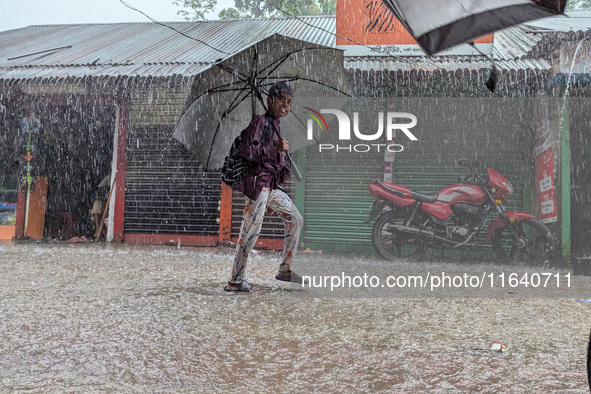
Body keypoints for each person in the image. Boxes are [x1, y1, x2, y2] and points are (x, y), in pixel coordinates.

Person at [224, 82, 306, 292]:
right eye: (281, 99)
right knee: (251, 230)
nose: (285, 105)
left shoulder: (276, 126)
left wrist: (279, 153)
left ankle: (285, 269)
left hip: (269, 187)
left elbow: (275, 165)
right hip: (257, 185)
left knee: (295, 218)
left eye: (289, 102)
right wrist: (273, 147)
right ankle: (235, 280)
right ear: (269, 100)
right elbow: (247, 151)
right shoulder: (260, 121)